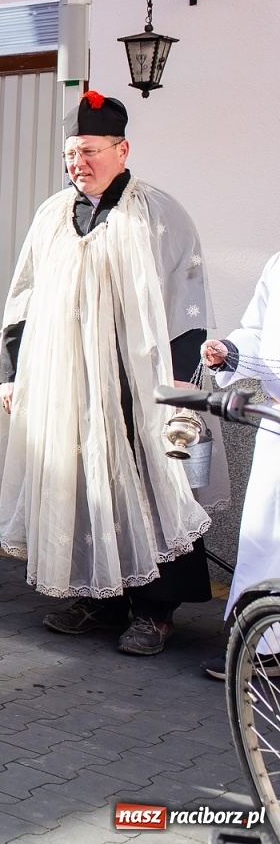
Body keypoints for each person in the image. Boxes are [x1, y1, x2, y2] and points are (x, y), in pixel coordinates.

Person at [0, 90, 222, 656]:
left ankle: (156, 611)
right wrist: (13, 375)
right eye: (71, 154)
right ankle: (100, 599)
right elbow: (23, 300)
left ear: (122, 149)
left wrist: (183, 383)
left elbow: (188, 300)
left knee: (149, 484)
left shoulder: (157, 214)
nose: (78, 164)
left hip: (136, 383)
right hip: (66, 381)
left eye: (90, 151)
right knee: (82, 482)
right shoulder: (52, 215)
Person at [201, 255, 280, 678]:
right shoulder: (278, 263)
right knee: (265, 540)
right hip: (277, 420)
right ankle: (264, 646)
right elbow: (258, 331)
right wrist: (230, 353)